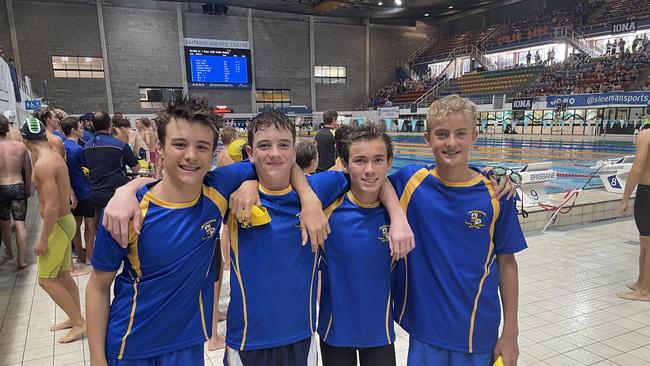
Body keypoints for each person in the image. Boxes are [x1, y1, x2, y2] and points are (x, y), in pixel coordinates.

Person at [87, 103, 337, 365]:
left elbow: (276, 163)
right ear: (159, 149)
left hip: (189, 345)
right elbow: (97, 287)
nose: (191, 156)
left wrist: (307, 197)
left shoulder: (217, 190)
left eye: (202, 147)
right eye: (179, 144)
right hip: (132, 345)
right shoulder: (126, 212)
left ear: (213, 153)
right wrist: (96, 358)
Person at [390, 95, 525, 366]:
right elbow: (366, 180)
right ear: (427, 138)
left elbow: (507, 264)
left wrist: (511, 332)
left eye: (461, 134)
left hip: (477, 332)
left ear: (475, 137)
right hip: (426, 331)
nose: (451, 143)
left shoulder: (498, 194)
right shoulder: (411, 183)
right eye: (442, 134)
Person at [318, 124, 400, 366]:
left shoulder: (403, 199)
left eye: (377, 160)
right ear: (344, 164)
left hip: (379, 332)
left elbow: (447, 173)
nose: (369, 170)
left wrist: (492, 172)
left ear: (389, 162)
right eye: (360, 161)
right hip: (335, 330)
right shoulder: (327, 206)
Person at [20, 116, 86, 343]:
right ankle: (74, 318)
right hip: (64, 221)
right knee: (63, 275)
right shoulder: (55, 158)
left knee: (46, 280)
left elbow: (51, 206)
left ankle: (79, 323)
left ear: (26, 140)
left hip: (56, 224)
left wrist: (43, 238)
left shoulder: (43, 165)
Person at [83, 111, 140, 216]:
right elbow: (136, 168)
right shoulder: (121, 145)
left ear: (93, 125)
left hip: (96, 194)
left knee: (101, 226)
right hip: (117, 194)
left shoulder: (87, 146)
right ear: (110, 124)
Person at [617, 121, 650, 302]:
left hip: (647, 191)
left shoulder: (645, 135)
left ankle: (645, 291)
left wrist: (625, 199)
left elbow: (637, 169)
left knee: (647, 243)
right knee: (645, 240)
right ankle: (641, 282)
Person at [61, 116, 96, 266]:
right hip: (85, 191)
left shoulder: (61, 146)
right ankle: (89, 257)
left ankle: (80, 255)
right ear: (74, 130)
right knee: (90, 225)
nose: (83, 130)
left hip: (70, 192)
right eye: (80, 128)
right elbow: (88, 170)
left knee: (75, 225)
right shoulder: (78, 149)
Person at [0, 114, 31, 268]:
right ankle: (22, 259)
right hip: (18, 185)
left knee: (4, 223)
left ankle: (9, 251)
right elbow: (28, 170)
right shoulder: (20, 147)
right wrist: (28, 188)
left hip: (1, 188)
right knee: (20, 224)